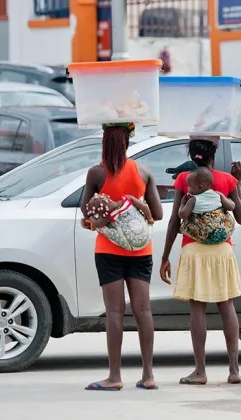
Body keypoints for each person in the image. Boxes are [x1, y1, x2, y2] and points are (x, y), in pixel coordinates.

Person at [81, 122, 163, 391]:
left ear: (105, 143)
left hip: (109, 250)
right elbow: (158, 214)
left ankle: (115, 377)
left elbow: (87, 213)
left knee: (115, 312)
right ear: (129, 142)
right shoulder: (144, 171)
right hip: (141, 250)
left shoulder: (96, 173)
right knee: (144, 310)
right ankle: (148, 375)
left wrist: (101, 214)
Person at [160, 138, 241, 385]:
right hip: (222, 252)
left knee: (197, 308)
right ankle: (233, 371)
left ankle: (200, 371)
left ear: (191, 152)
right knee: (227, 306)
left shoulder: (185, 180)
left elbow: (175, 221)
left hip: (193, 250)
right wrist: (238, 183)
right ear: (214, 154)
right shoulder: (227, 180)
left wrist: (165, 256)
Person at [178, 166, 236, 245]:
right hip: (221, 234)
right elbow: (231, 207)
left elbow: (183, 215)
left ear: (200, 187)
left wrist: (182, 204)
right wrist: (230, 200)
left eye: (189, 186)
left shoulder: (193, 200)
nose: (187, 188)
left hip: (202, 236)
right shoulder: (218, 195)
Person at [85, 193, 154, 251]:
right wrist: (150, 219)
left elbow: (97, 224)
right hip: (147, 236)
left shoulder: (108, 217)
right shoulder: (127, 199)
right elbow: (144, 207)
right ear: (107, 196)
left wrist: (91, 217)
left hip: (132, 247)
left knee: (101, 228)